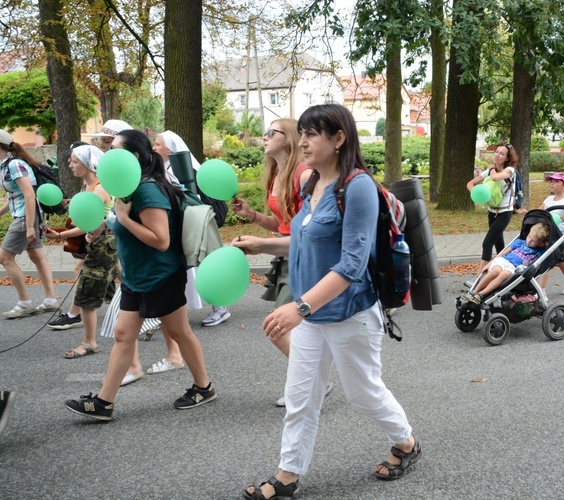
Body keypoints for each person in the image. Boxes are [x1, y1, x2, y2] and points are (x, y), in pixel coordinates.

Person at [241, 104, 419, 499]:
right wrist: (261, 244)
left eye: (312, 134)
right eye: (300, 133)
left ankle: (406, 442)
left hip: (348, 313)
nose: (302, 141)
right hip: (312, 318)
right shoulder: (310, 184)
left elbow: (353, 264)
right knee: (301, 399)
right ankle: (287, 477)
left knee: (363, 393)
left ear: (339, 139)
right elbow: (304, 239)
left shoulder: (357, 188)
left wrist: (299, 306)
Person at [65, 130, 217, 421]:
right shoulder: (130, 188)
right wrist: (107, 224)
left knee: (179, 332)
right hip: (137, 277)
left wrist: (121, 218)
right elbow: (126, 219)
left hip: (161, 276)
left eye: (116, 151)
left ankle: (204, 386)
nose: (109, 156)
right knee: (124, 335)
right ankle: (103, 403)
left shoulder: (147, 190)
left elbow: (160, 239)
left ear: (134, 157)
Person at [231, 119, 337, 408]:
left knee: (279, 327)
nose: (264, 137)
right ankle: (313, 380)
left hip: (303, 257)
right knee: (300, 327)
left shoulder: (303, 175)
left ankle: (316, 381)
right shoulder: (277, 173)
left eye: (271, 133)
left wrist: (261, 244)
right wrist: (252, 215)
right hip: (287, 253)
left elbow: (311, 231)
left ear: (288, 138)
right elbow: (284, 225)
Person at [45, 145, 117, 358]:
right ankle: (148, 322)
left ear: (87, 164)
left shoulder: (98, 190)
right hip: (101, 245)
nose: (70, 164)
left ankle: (89, 343)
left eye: (74, 161)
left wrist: (59, 235)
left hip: (101, 247)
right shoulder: (90, 187)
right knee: (116, 292)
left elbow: (89, 225)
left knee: (86, 296)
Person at [154, 130, 230, 327]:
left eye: (158, 144)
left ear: (170, 149)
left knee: (204, 264)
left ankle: (220, 307)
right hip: (181, 225)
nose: (154, 148)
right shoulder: (165, 168)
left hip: (196, 226)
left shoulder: (185, 171)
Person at [0, 129, 59, 318]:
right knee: (37, 256)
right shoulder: (6, 165)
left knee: (5, 258)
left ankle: (24, 302)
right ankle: (50, 300)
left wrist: (29, 227)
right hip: (26, 215)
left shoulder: (14, 164)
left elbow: (29, 195)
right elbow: (15, 196)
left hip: (26, 217)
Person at [460, 222, 550, 304]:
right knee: (495, 271)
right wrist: (490, 263)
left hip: (514, 268)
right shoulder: (519, 242)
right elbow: (503, 253)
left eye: (533, 240)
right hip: (503, 260)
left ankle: (481, 294)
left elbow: (549, 249)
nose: (529, 241)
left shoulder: (540, 252)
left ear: (541, 244)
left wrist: (545, 243)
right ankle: (474, 292)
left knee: (504, 274)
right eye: (529, 236)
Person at [466, 143, 520, 269]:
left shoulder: (510, 171)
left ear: (507, 158)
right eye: (496, 152)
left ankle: (480, 277)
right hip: (492, 211)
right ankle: (504, 270)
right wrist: (477, 195)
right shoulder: (490, 171)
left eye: (502, 154)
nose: (497, 155)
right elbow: (469, 184)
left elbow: (495, 177)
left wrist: (491, 170)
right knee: (499, 245)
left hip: (504, 212)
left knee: (487, 243)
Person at [536, 173, 564, 300]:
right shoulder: (548, 200)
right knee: (561, 262)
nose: (552, 184)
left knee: (546, 261)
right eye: (551, 181)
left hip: (561, 238)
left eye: (556, 182)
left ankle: (541, 292)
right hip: (549, 236)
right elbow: (540, 213)